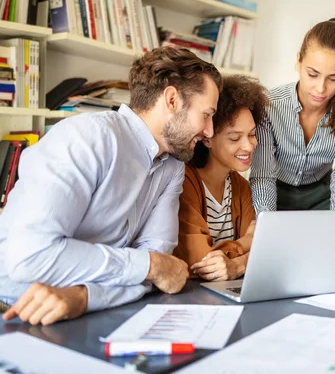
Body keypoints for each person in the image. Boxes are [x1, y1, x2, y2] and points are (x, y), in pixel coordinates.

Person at [0, 47, 221, 325]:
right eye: (207, 114)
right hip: (13, 309)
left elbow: (162, 270)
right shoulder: (87, 137)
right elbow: (30, 257)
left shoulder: (172, 168)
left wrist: (84, 297)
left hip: (90, 311)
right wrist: (149, 266)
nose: (210, 131)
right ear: (172, 99)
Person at [250, 18, 335, 212]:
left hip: (322, 197)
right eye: (313, 74)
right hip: (273, 190)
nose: (321, 88)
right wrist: (266, 223)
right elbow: (263, 175)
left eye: (334, 78)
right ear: (298, 61)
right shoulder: (268, 106)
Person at [175, 75, 268, 281]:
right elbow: (201, 260)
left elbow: (263, 250)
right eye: (235, 138)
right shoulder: (184, 182)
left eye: (252, 135)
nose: (249, 146)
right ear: (207, 138)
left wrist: (237, 264)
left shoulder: (241, 186)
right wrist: (247, 241)